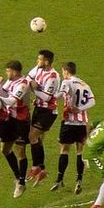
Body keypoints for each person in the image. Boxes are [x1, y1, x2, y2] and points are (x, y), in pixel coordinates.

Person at [52, 62, 96, 194]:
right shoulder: (84, 84)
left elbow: (59, 96)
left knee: (64, 150)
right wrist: (80, 109)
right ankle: (79, 181)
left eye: (62, 71)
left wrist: (43, 94)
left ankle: (59, 180)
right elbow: (93, 101)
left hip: (69, 121)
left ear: (66, 71)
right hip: (82, 123)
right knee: (80, 151)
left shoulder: (66, 82)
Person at [0, 60, 32, 198]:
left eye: (8, 71)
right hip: (9, 118)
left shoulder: (23, 84)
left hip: (21, 120)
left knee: (20, 151)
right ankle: (18, 177)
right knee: (5, 149)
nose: (6, 73)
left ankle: (21, 182)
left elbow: (11, 101)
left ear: (15, 71)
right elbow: (2, 96)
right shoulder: (9, 82)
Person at [25, 50, 62, 186]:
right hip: (39, 108)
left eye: (39, 59)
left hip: (48, 111)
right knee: (38, 139)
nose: (37, 61)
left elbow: (47, 97)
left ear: (46, 61)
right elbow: (28, 78)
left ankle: (36, 167)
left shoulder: (53, 76)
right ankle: (42, 170)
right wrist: (32, 84)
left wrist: (34, 88)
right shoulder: (39, 69)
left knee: (32, 136)